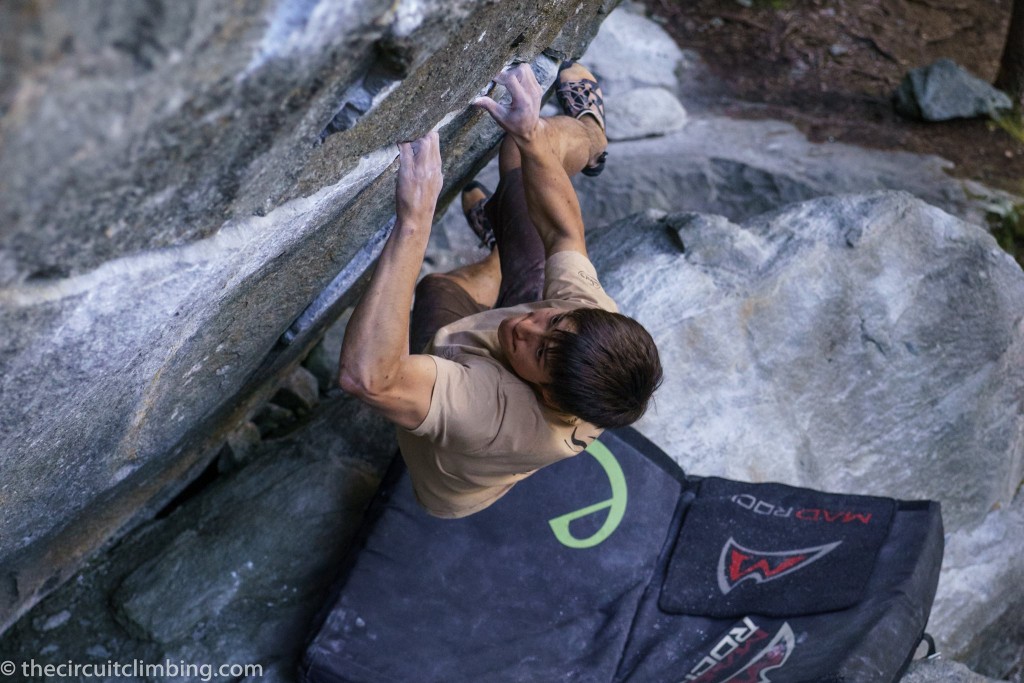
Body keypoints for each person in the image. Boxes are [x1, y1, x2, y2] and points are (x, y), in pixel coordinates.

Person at [339, 62, 662, 518]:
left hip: (459, 449)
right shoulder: (588, 326)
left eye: (540, 351)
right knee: (524, 149)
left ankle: (498, 250)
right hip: (521, 359)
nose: (525, 325)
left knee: (438, 286)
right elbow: (564, 235)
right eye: (552, 321)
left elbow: (370, 378)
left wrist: (415, 222)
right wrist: (531, 132)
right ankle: (593, 137)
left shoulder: (494, 415)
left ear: (548, 397)